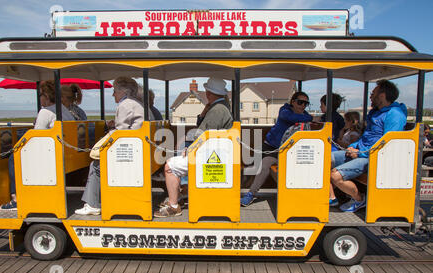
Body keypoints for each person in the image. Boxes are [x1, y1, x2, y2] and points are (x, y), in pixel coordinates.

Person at [154, 77, 233, 218]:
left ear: (209, 93)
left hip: (211, 156)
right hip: (216, 152)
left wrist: (191, 149)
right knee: (180, 154)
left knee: (170, 167)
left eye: (207, 91)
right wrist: (204, 111)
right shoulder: (220, 107)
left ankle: (173, 206)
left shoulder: (217, 110)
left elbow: (201, 135)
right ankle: (180, 195)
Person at [329, 79, 407, 212]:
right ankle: (331, 197)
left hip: (372, 159)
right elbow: (367, 137)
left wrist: (360, 153)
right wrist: (353, 146)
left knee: (335, 176)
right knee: (323, 159)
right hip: (361, 153)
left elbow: (387, 145)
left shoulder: (395, 115)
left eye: (373, 93)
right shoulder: (376, 112)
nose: (370, 96)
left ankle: (359, 199)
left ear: (382, 95)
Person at [0, 80, 74, 210]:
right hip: (67, 154)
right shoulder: (63, 110)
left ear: (46, 96)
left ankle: (16, 198)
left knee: (14, 158)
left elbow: (36, 137)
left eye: (40, 95)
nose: (40, 98)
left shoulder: (45, 112)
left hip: (52, 155)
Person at [75, 77, 144, 215]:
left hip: (132, 151)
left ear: (123, 91)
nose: (113, 94)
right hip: (137, 148)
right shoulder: (136, 103)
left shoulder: (125, 105)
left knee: (96, 165)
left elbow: (120, 134)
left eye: (115, 91)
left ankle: (92, 204)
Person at [240, 91, 313, 207]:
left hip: (291, 152)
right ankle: (250, 194)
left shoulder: (304, 116)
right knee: (264, 166)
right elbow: (292, 117)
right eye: (300, 102)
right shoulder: (285, 111)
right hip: (273, 149)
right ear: (293, 102)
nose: (303, 106)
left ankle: (297, 196)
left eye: (306, 103)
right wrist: (309, 117)